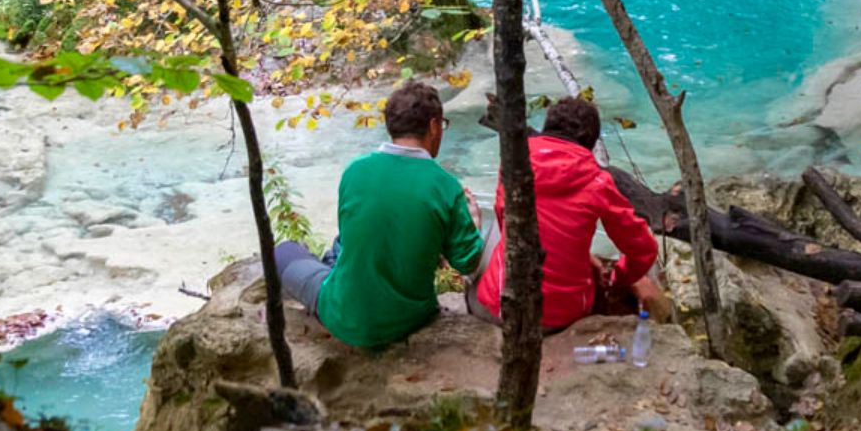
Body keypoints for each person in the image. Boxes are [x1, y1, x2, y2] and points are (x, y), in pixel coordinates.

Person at [274, 81, 483, 348]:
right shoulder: (445, 185)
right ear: (433, 126)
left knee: (286, 251)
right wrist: (474, 223)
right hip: (410, 318)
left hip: (344, 316)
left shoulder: (355, 172)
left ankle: (326, 272)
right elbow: (468, 263)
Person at [469, 97, 664, 332]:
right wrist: (618, 279)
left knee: (496, 233)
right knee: (647, 266)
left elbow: (508, 223)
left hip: (497, 308)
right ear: (590, 145)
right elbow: (644, 249)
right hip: (561, 318)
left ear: (547, 128)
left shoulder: (514, 161)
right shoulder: (597, 181)